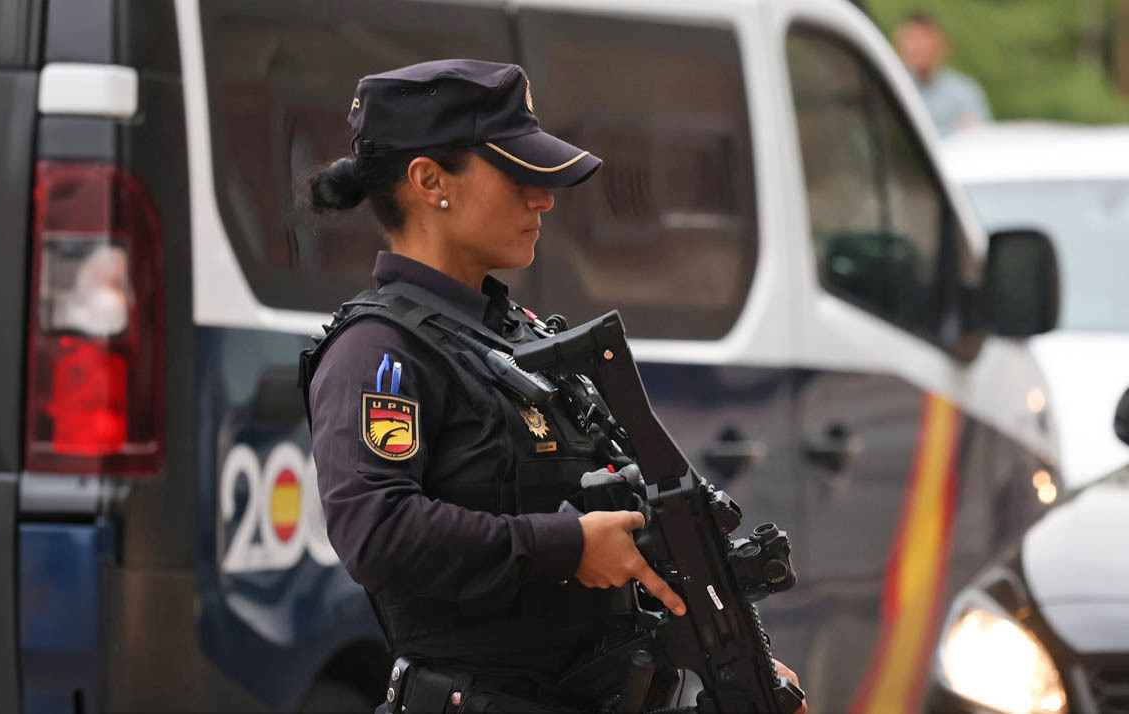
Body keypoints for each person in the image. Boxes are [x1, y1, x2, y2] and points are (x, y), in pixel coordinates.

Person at [303, 59, 804, 713]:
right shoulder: (380, 352)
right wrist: (568, 546)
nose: (541, 197)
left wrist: (734, 657)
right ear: (430, 181)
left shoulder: (519, 334)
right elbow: (378, 532)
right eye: (516, 177)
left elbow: (632, 516)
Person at [894, 10, 991, 136]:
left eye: (924, 37)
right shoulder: (892, 89)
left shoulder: (964, 91)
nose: (918, 45)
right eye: (912, 38)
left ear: (940, 44)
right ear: (899, 46)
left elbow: (977, 136)